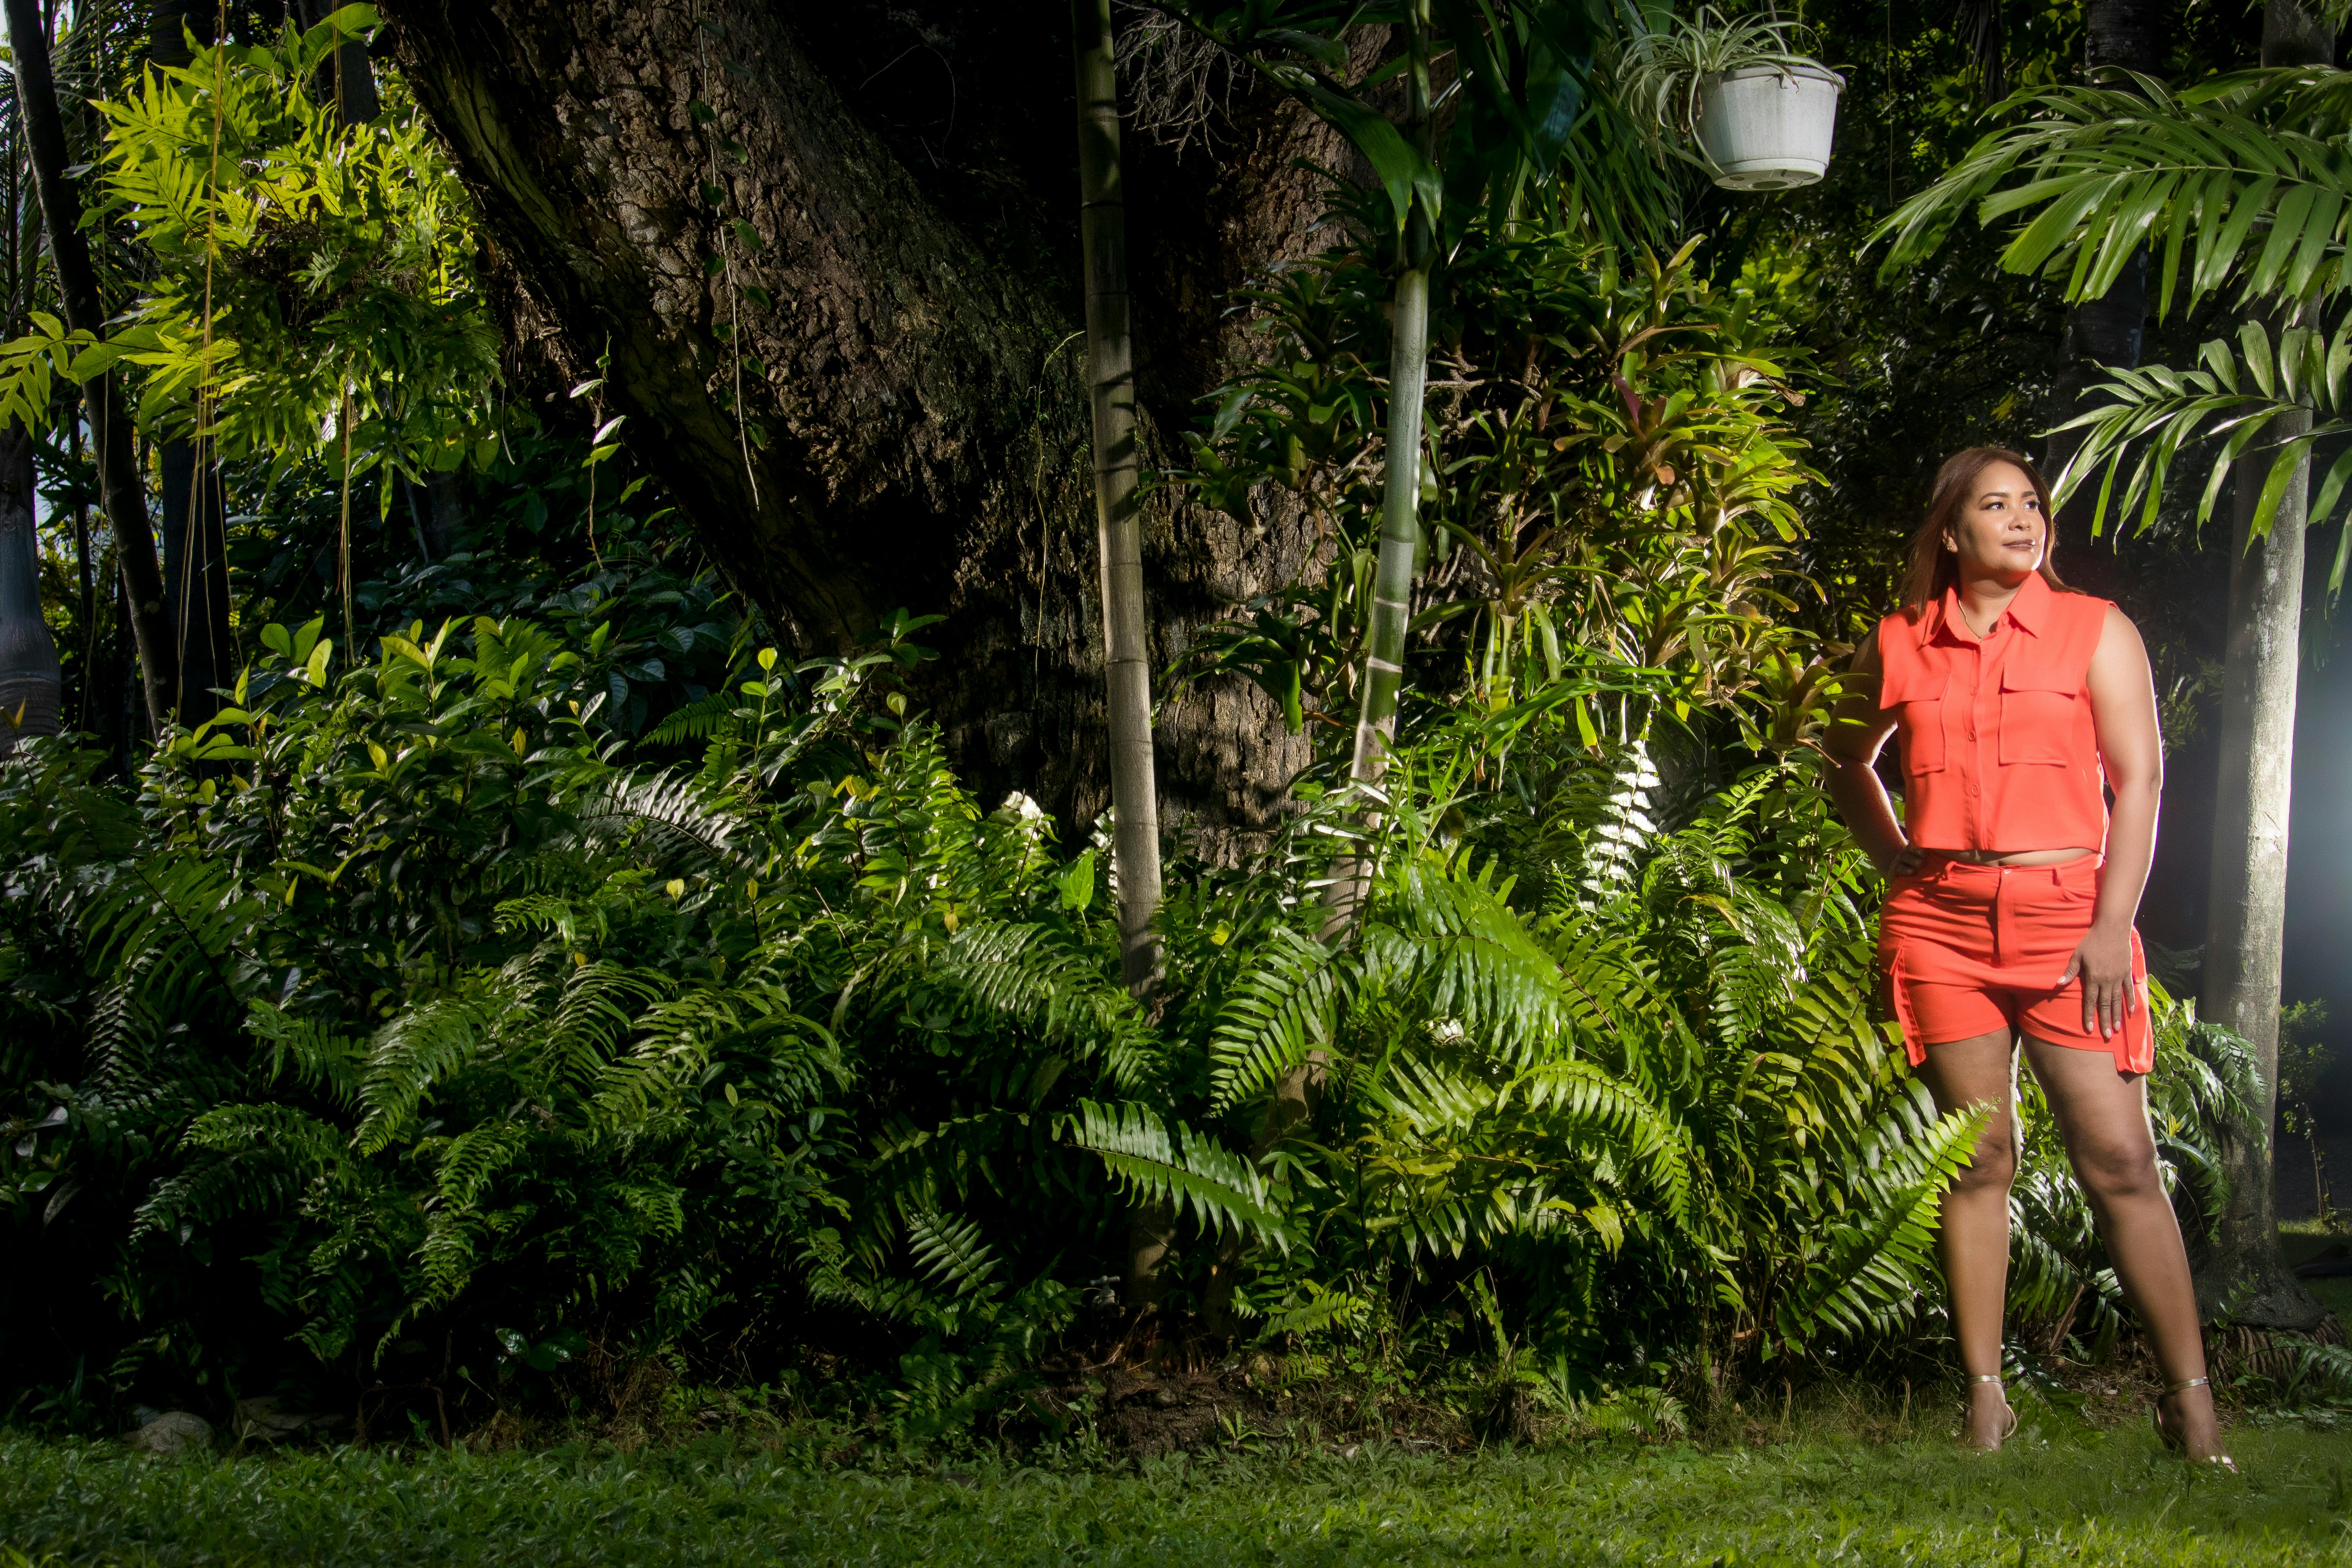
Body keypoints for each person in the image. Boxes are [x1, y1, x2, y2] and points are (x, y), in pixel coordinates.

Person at [1820, 447, 2232, 1466]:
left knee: (2120, 1161)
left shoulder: (2096, 630)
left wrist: (2110, 925)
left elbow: (2140, 783)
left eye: (2032, 503)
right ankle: (1985, 1405)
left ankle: (2192, 1407)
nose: (2022, 518)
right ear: (1950, 532)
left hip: (2069, 921)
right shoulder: (1899, 643)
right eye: (1995, 504)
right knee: (1979, 1161)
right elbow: (1843, 759)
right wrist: (1895, 859)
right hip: (1942, 928)